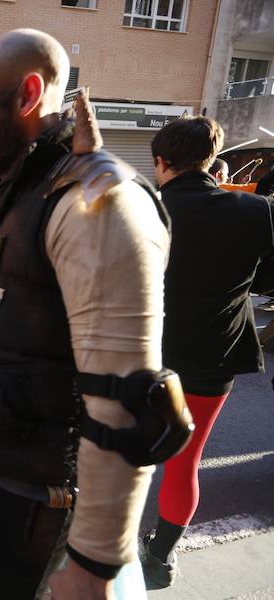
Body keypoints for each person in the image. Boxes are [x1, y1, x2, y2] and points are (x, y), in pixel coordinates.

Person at [0, 29, 170, 600]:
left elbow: (131, 401)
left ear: (29, 94)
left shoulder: (95, 202)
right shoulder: (18, 183)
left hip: (41, 490)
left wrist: (95, 562)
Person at [139, 117, 274, 588]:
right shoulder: (254, 210)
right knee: (185, 461)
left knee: (113, 454)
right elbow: (268, 281)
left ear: (161, 161)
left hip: (137, 356)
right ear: (212, 159)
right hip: (212, 355)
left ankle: (100, 547)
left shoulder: (140, 208)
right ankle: (159, 558)